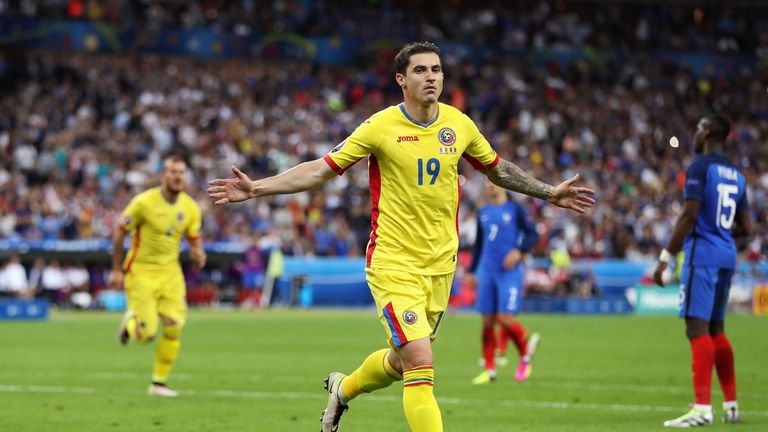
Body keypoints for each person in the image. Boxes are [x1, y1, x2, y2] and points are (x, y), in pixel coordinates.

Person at [207, 41, 595, 432]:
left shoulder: (459, 125)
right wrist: (257, 188)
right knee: (421, 361)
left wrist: (549, 192)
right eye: (421, 70)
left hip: (440, 265)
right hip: (393, 262)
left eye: (437, 70)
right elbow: (321, 169)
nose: (431, 77)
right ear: (401, 80)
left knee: (401, 361)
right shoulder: (380, 126)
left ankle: (342, 390)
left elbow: (497, 169)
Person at [654, 114, 752, 427]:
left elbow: (689, 215)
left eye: (698, 128)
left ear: (708, 133)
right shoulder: (737, 174)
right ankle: (732, 405)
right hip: (726, 256)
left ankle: (701, 409)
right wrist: (721, 234)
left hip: (703, 256)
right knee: (716, 329)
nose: (694, 133)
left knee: (696, 329)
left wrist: (666, 255)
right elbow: (747, 226)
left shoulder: (700, 166)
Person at [108, 156, 206, 397]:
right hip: (141, 273)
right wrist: (117, 269)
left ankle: (159, 383)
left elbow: (194, 239)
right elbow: (120, 233)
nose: (177, 176)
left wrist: (198, 253)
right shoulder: (143, 203)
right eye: (173, 172)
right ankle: (130, 324)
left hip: (171, 274)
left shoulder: (190, 208)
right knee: (147, 335)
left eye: (182, 172)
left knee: (174, 326)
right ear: (163, 175)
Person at [466, 182, 540, 385]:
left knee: (505, 319)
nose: (491, 186)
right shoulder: (483, 212)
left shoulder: (515, 210)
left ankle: (526, 352)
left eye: (495, 182)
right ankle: (489, 370)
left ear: (504, 186)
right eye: (488, 183)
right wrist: (472, 272)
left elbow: (533, 234)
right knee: (487, 322)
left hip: (509, 273)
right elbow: (479, 245)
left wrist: (519, 251)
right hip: (488, 272)